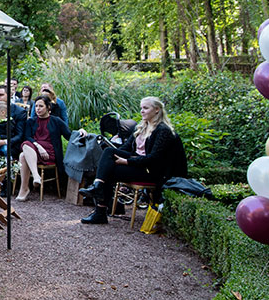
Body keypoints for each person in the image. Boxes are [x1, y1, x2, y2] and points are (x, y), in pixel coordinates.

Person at [79, 96, 179, 225]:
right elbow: (126, 148)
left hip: (151, 172)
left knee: (110, 170)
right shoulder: (141, 127)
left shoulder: (163, 131)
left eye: (145, 108)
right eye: (141, 108)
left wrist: (127, 162)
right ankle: (98, 189)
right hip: (138, 166)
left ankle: (100, 209)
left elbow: (154, 159)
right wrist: (110, 151)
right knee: (109, 153)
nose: (142, 111)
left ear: (157, 110)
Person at [14, 96, 71, 201]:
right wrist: (39, 146)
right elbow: (27, 137)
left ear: (48, 107)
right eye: (36, 106)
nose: (38, 109)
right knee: (24, 151)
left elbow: (69, 135)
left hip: (49, 153)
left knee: (24, 152)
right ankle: (34, 178)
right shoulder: (31, 121)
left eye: (41, 106)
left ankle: (25, 188)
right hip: (35, 151)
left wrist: (81, 131)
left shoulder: (56, 121)